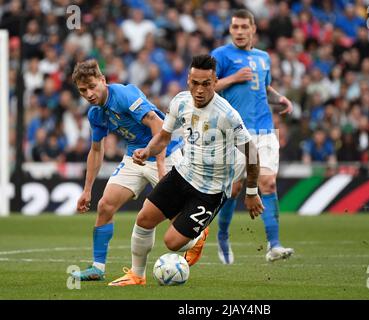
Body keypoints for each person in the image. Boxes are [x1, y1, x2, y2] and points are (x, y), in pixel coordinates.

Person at [108, 54, 264, 286]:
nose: (199, 90)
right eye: (194, 83)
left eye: (206, 84)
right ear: (188, 81)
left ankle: (198, 236)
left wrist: (251, 192)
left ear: (215, 82)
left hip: (211, 190)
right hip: (183, 174)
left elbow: (252, 153)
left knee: (172, 242)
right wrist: (148, 151)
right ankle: (137, 275)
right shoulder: (180, 102)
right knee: (144, 219)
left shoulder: (227, 115)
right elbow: (163, 136)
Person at [70, 59, 183, 281]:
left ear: (103, 80)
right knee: (105, 205)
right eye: (83, 90)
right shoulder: (96, 114)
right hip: (134, 156)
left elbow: (157, 124)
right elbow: (95, 150)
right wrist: (87, 189)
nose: (89, 93)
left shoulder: (123, 95)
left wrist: (160, 166)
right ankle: (97, 268)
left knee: (179, 226)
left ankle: (195, 235)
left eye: (92, 86)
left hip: (165, 154)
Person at [211, 9, 294, 264]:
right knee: (234, 189)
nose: (238, 32)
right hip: (235, 132)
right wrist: (234, 78)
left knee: (267, 183)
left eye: (243, 27)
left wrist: (279, 98)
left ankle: (274, 245)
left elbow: (263, 86)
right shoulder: (221, 55)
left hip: (265, 130)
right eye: (234, 27)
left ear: (253, 29)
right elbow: (205, 87)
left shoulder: (263, 57)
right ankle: (223, 236)